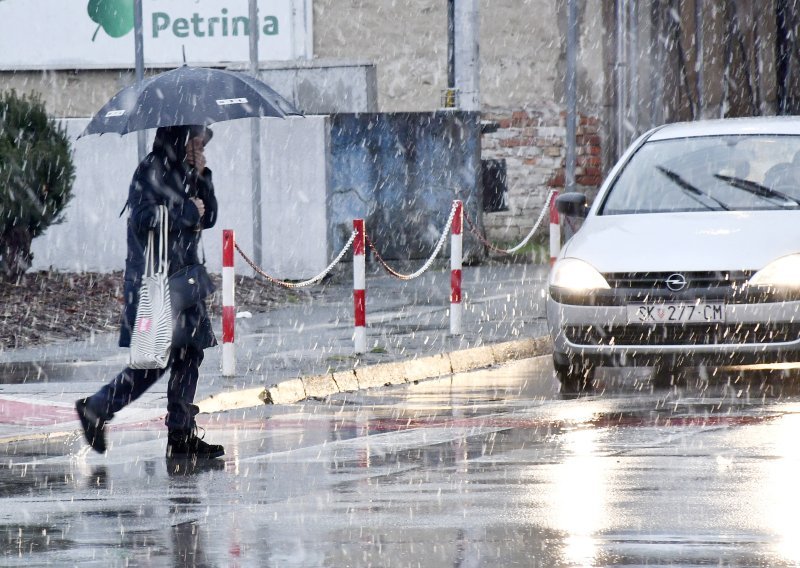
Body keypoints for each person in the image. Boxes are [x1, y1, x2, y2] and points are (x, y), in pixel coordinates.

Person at [75, 124, 224, 460]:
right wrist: (186, 210)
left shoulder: (193, 173)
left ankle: (180, 435)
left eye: (203, 142)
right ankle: (98, 408)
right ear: (180, 137)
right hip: (156, 281)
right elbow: (143, 217)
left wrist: (201, 177)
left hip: (186, 279)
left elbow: (210, 215)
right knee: (153, 360)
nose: (199, 146)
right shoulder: (152, 169)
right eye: (195, 139)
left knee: (190, 353)